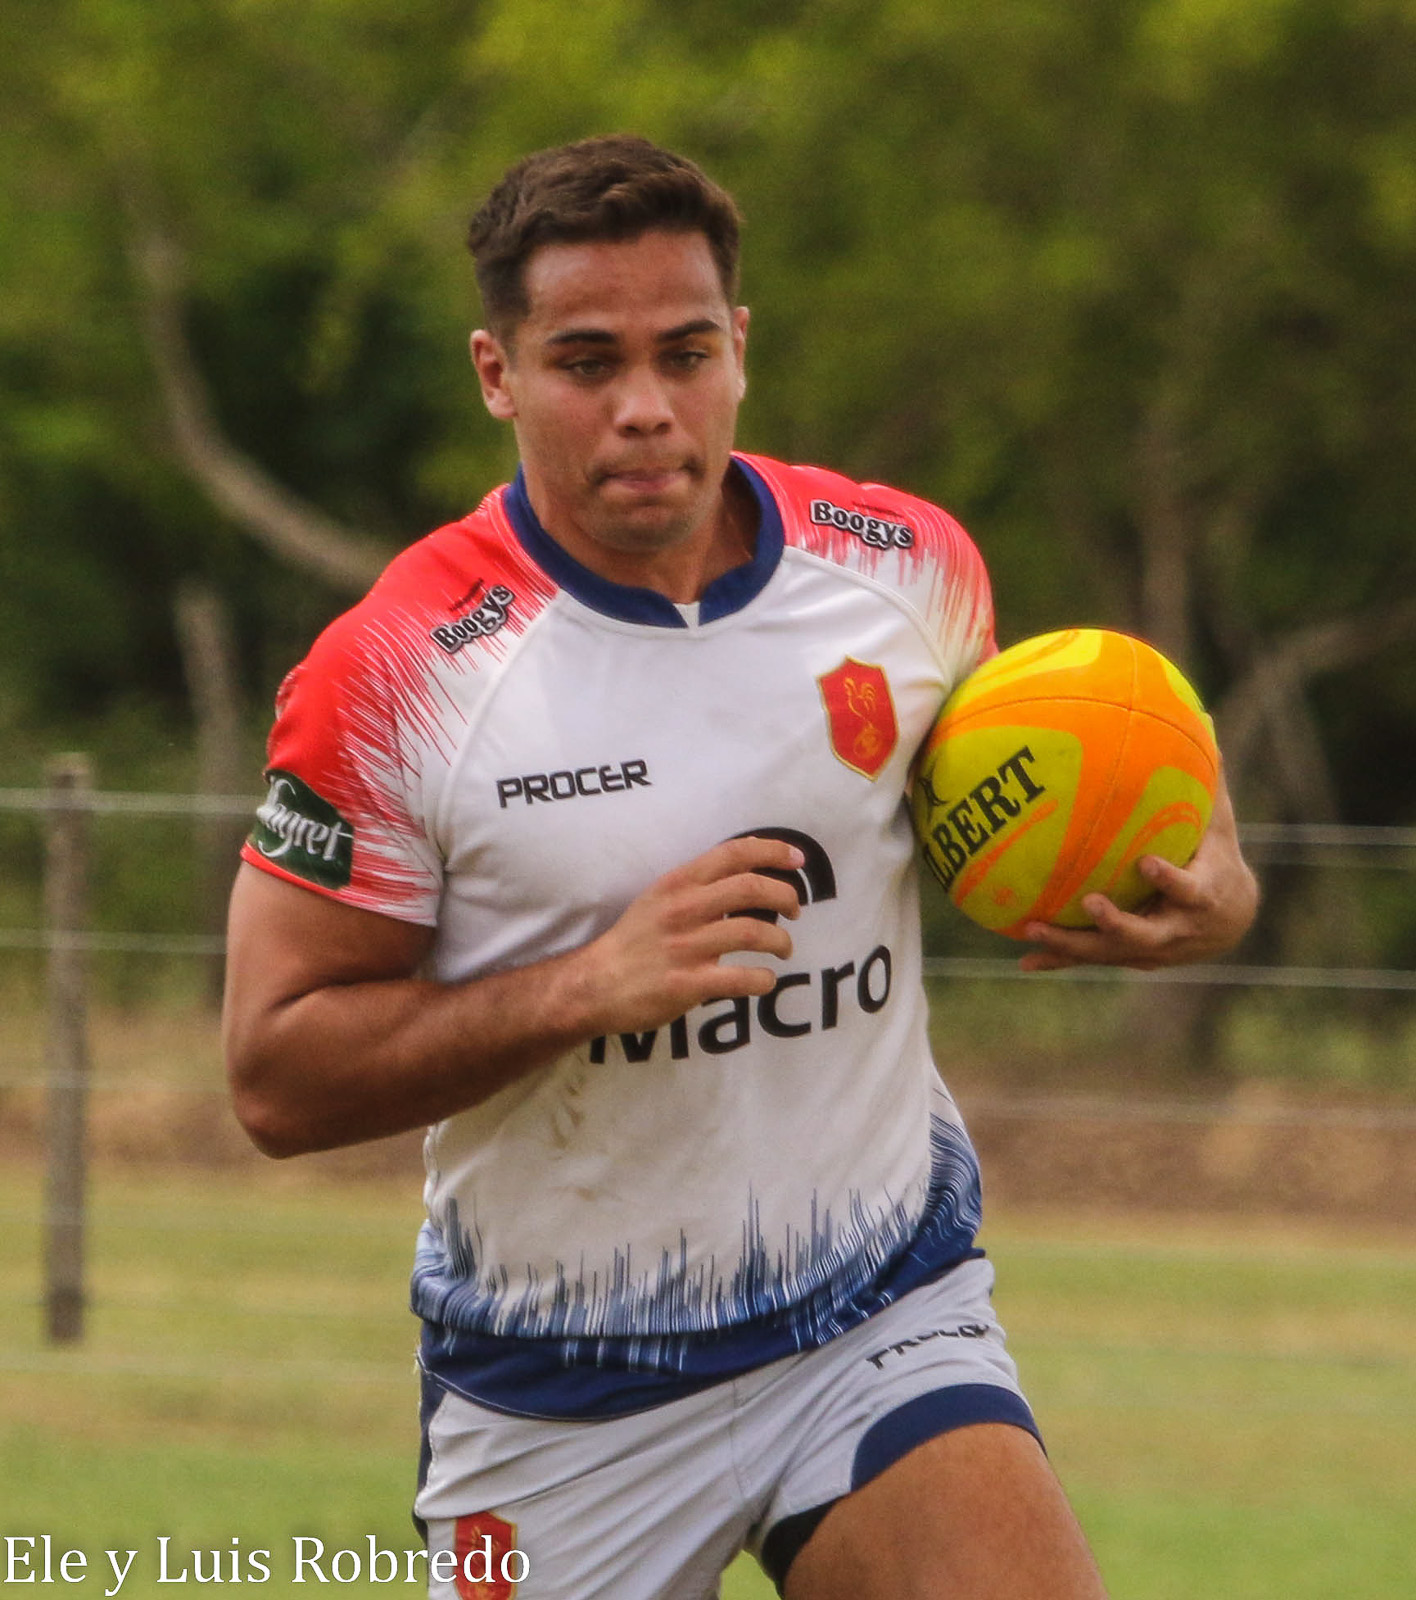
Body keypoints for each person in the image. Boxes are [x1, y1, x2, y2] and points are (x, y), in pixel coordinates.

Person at [224, 135, 1258, 1600]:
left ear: (742, 349)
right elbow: (272, 1076)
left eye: (685, 351)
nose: (645, 408)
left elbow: (1053, 789)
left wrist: (1208, 886)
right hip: (561, 1395)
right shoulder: (389, 675)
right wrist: (588, 985)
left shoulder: (908, 573)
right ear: (495, 373)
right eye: (585, 362)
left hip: (878, 1313)